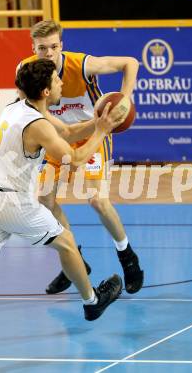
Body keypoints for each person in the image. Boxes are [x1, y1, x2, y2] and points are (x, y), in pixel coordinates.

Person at [0, 59, 126, 361]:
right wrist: (101, 132)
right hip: (13, 202)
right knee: (68, 244)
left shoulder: (16, 108)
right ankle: (91, 302)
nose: (62, 84)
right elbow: (76, 155)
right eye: (57, 81)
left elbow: (68, 132)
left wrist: (97, 121)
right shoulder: (40, 126)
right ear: (46, 91)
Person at [18, 20, 144, 295]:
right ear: (33, 48)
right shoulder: (26, 71)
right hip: (58, 137)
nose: (48, 53)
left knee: (98, 200)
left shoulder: (82, 65)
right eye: (42, 48)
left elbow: (131, 63)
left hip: (93, 135)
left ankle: (128, 257)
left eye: (53, 47)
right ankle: (73, 259)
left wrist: (125, 98)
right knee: (44, 200)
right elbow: (34, 112)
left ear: (61, 45)